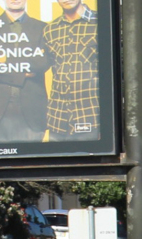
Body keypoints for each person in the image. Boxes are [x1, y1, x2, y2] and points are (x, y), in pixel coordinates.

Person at [0, 0, 49, 144]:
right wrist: (21, 74)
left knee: (33, 163)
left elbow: (42, 63)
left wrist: (5, 61)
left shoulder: (43, 27)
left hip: (32, 109)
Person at [43, 0, 100, 141]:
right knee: (57, 162)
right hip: (58, 119)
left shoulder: (101, 23)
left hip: (91, 116)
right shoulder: (50, 29)